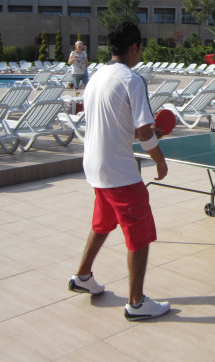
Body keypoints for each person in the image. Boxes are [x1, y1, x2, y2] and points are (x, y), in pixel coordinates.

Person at [69, 22, 171, 321]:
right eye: (140, 49)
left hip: (95, 166)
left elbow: (122, 124)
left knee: (102, 223)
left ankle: (83, 276)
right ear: (134, 47)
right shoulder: (132, 80)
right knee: (139, 235)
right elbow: (144, 134)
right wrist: (160, 161)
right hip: (119, 171)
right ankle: (136, 303)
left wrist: (149, 133)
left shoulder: (95, 77)